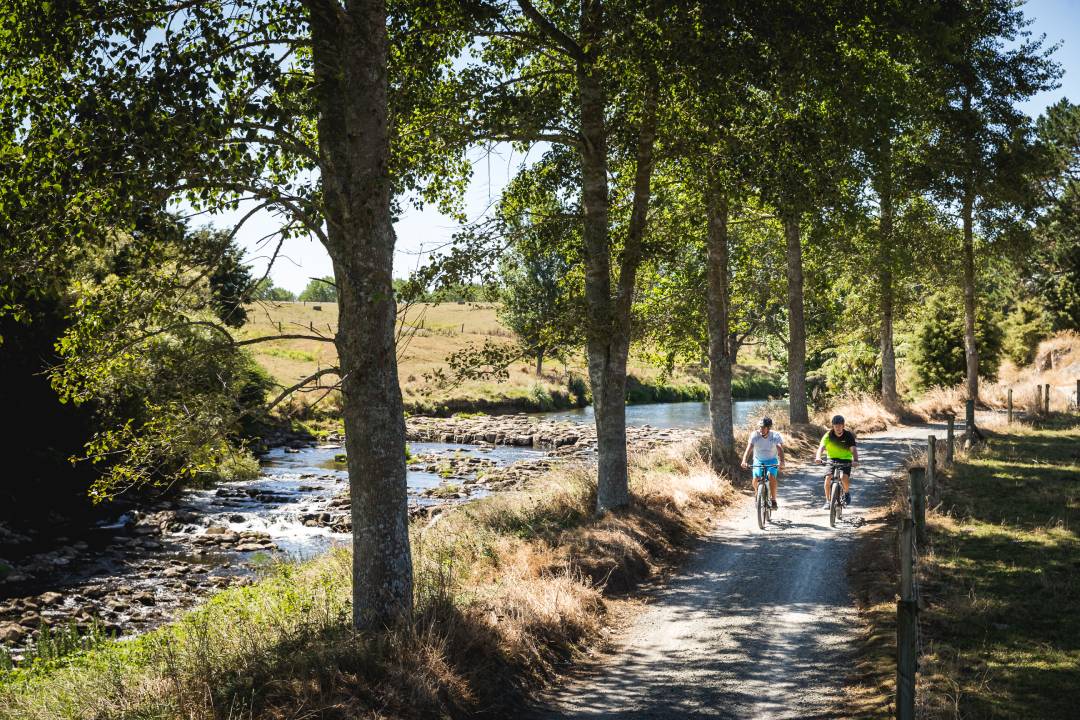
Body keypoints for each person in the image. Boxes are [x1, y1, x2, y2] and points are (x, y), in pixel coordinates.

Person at [741, 417, 785, 510]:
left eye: (763, 427)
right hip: (758, 460)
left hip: (772, 459)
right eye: (760, 427)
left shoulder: (775, 435)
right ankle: (758, 492)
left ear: (768, 428)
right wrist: (744, 460)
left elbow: (780, 449)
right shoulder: (754, 435)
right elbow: (749, 449)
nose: (761, 429)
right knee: (756, 477)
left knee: (771, 476)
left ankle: (773, 500)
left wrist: (782, 462)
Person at [816, 414, 859, 508]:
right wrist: (818, 458)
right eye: (836, 426)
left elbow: (853, 449)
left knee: (843, 477)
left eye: (840, 426)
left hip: (846, 459)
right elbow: (821, 448)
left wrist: (855, 460)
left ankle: (847, 493)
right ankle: (828, 501)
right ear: (833, 426)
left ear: (843, 426)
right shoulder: (828, 435)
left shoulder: (848, 435)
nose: (838, 428)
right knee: (828, 478)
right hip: (832, 459)